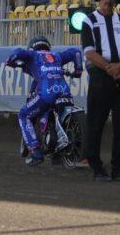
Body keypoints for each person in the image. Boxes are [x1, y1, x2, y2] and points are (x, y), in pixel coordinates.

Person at [80, 0, 120, 181]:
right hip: (101, 75)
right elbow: (89, 51)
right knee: (96, 122)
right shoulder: (89, 21)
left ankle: (117, 168)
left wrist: (119, 67)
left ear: (116, 0)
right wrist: (112, 69)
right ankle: (96, 166)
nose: (108, 1)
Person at [5, 36, 83, 166]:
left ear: (32, 47)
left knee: (24, 115)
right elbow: (76, 51)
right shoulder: (56, 56)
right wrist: (78, 69)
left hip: (47, 94)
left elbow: (17, 52)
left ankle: (36, 152)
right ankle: (56, 154)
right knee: (52, 112)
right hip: (65, 92)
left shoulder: (33, 55)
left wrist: (10, 61)